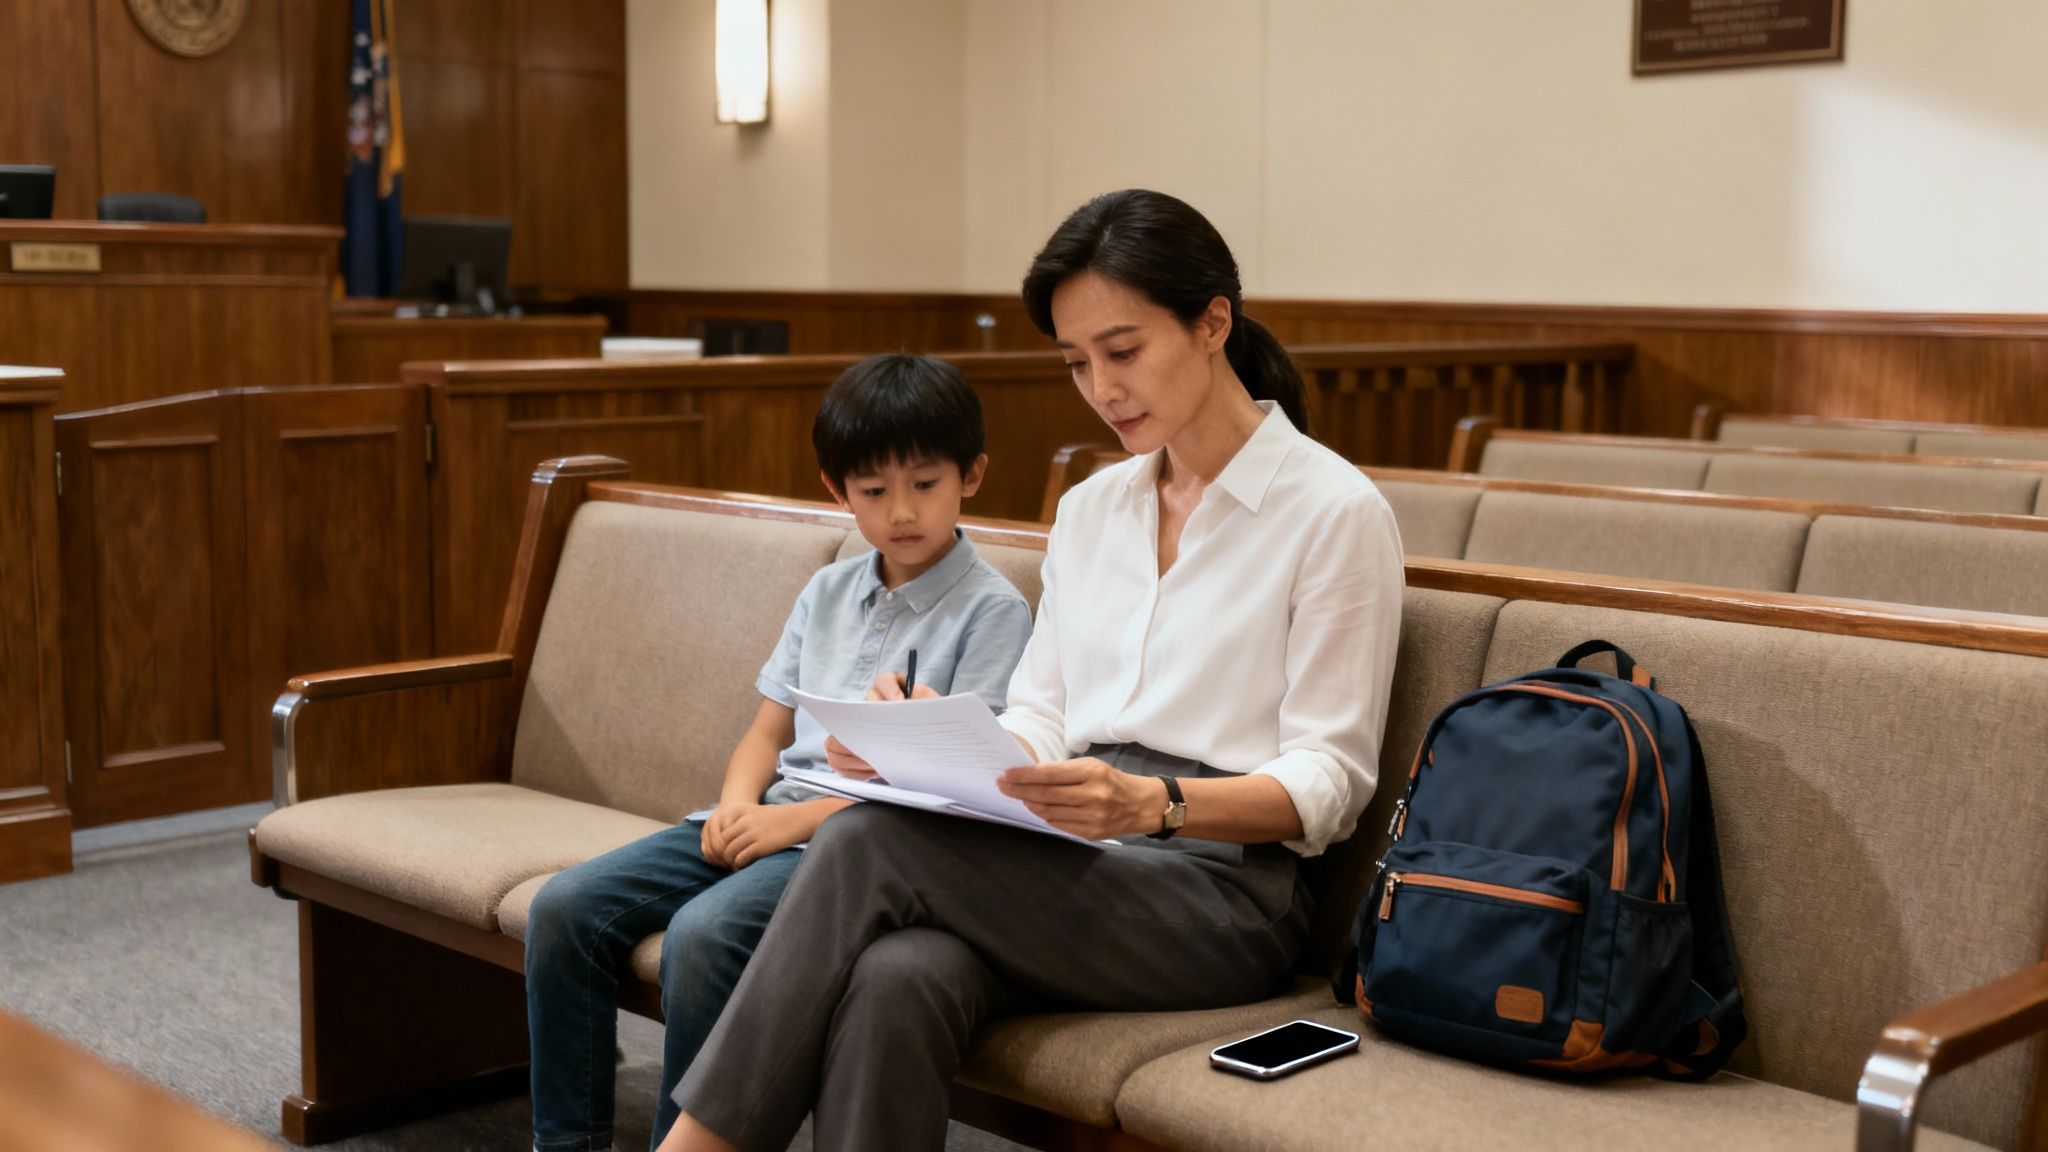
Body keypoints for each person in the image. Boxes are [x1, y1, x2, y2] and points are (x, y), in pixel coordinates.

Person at [656, 188, 1406, 1152]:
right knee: (900, 978)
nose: (1101, 387)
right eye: (1076, 363)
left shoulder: (1335, 513)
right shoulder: (1095, 508)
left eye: (1123, 351)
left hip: (1223, 894)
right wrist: (925, 748)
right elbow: (1045, 719)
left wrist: (1155, 805)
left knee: (866, 843)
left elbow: (1333, 785)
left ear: (1213, 322)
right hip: (1078, 856)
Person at [523, 352, 1036, 1152]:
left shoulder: (994, 611)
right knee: (565, 908)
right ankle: (565, 1144)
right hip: (764, 817)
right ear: (837, 492)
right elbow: (767, 731)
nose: (902, 511)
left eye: (925, 484)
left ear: (972, 475)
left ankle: (681, 1144)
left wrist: (788, 829)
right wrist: (736, 804)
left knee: (703, 936)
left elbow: (965, 791)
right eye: (873, 491)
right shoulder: (828, 590)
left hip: (860, 850)